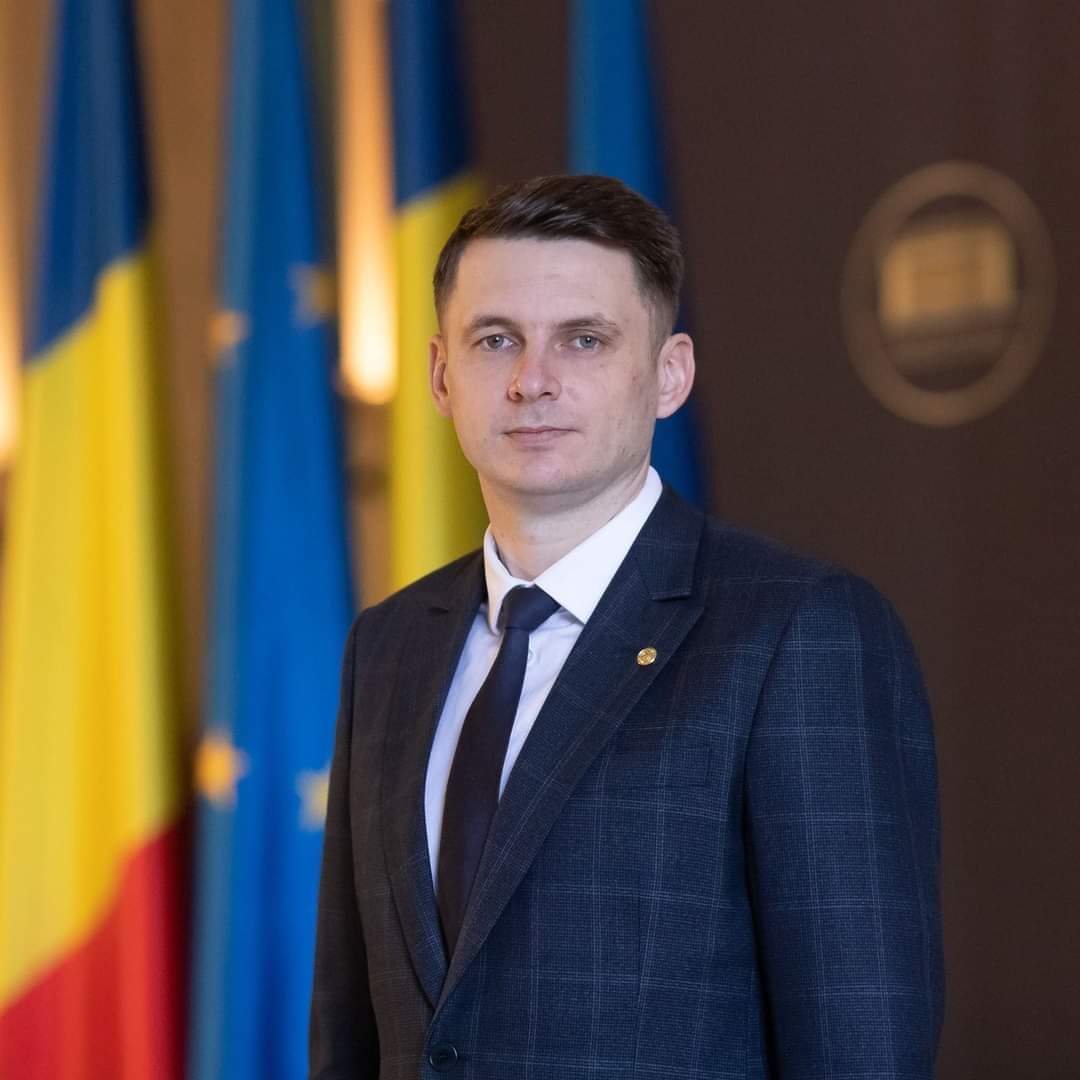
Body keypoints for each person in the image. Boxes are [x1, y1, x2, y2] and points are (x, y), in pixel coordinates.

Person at [309, 175, 944, 1079]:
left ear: (669, 374)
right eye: (496, 340)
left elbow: (862, 1043)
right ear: (443, 376)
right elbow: (352, 1031)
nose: (532, 380)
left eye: (584, 339)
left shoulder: (799, 632)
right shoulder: (388, 646)